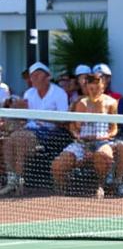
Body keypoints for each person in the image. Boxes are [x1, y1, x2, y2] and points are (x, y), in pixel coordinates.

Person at [52, 63, 123, 197]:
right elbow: (73, 127)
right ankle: (65, 190)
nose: (93, 91)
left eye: (96, 88)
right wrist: (80, 138)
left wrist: (104, 138)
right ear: (86, 87)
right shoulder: (78, 103)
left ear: (103, 87)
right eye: (90, 88)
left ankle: (101, 186)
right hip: (81, 143)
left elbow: (114, 128)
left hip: (103, 142)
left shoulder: (111, 103)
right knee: (57, 166)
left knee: (103, 156)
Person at [0, 62, 71, 196]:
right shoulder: (29, 93)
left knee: (20, 139)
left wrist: (42, 119)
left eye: (37, 75)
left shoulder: (59, 93)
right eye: (32, 76)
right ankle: (12, 180)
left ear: (48, 77)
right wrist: (17, 107)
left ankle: (20, 181)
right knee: (9, 141)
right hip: (28, 130)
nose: (34, 79)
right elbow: (25, 117)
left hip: (51, 133)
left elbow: (64, 119)